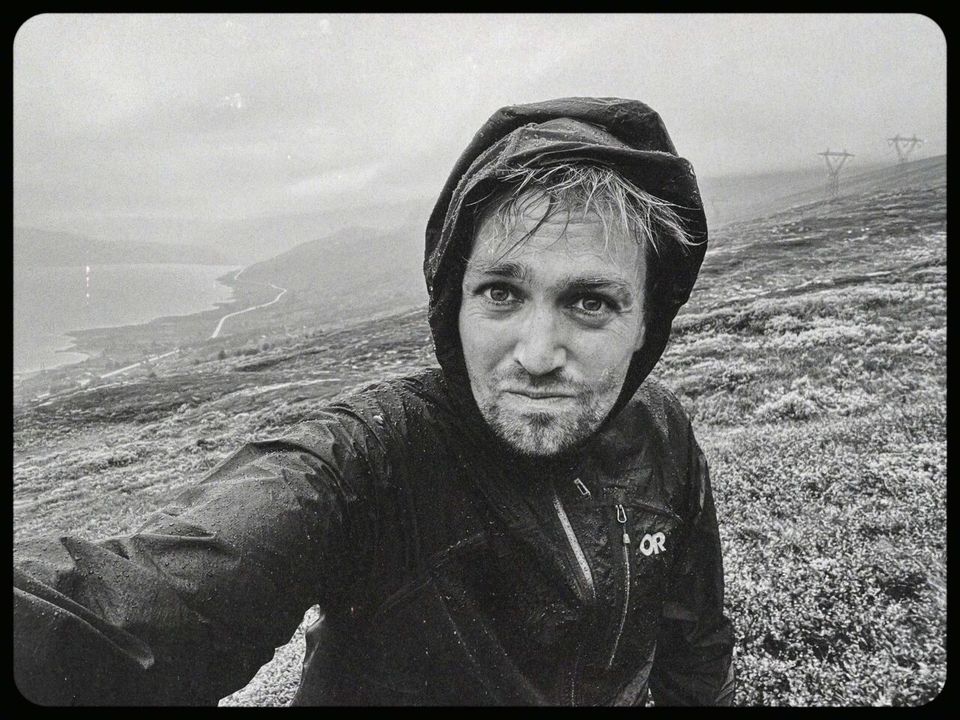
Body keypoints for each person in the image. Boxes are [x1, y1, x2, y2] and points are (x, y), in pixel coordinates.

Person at [14, 97, 735, 706]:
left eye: (591, 301)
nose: (537, 353)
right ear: (454, 302)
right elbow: (134, 614)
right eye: (501, 292)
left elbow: (695, 645)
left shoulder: (662, 433)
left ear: (647, 322)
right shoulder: (372, 460)